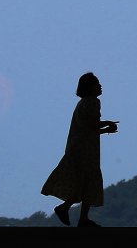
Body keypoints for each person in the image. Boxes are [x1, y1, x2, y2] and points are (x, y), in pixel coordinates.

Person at [41, 71, 118, 227]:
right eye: (97, 83)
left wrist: (104, 129)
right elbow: (92, 124)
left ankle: (73, 213)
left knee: (82, 183)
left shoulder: (82, 103)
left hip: (79, 148)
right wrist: (108, 123)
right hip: (85, 152)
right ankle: (78, 216)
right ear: (90, 87)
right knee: (88, 182)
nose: (100, 86)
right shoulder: (92, 102)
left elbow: (88, 128)